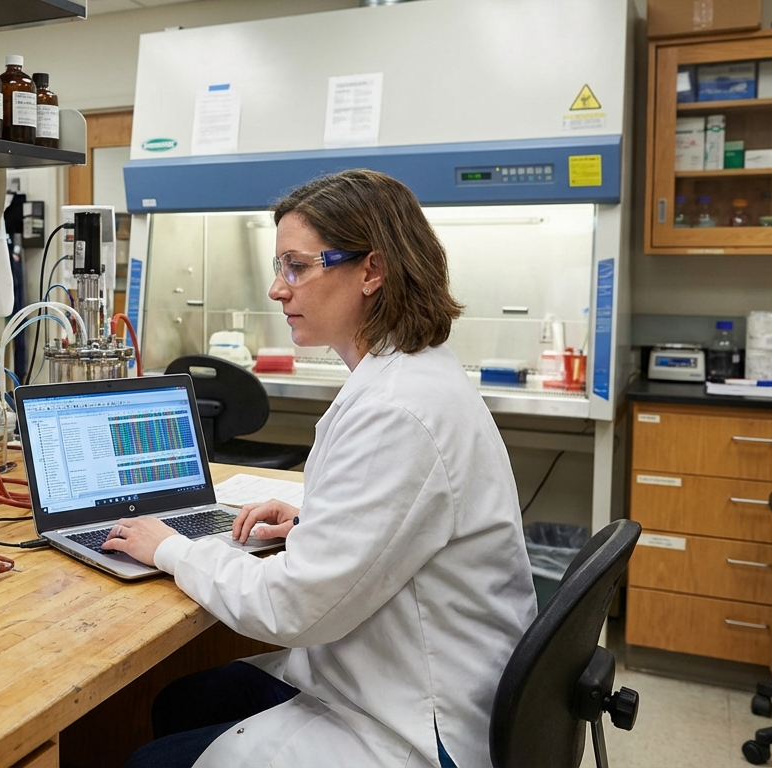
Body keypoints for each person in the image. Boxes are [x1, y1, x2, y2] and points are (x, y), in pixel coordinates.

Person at [106, 170, 537, 768]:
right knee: (185, 700)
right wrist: (318, 519)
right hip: (398, 668)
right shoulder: (410, 373)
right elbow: (409, 512)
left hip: (418, 719)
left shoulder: (396, 408)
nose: (277, 290)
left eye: (296, 266)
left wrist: (170, 549)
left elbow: (290, 608)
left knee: (147, 762)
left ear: (371, 270)